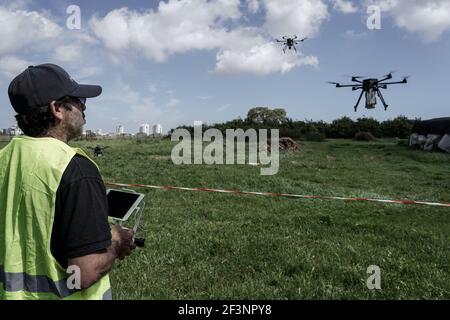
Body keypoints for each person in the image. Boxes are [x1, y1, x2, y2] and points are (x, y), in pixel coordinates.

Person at [0, 64, 136, 300]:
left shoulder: (4, 159)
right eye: (79, 99)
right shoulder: (75, 169)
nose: (84, 107)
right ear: (57, 109)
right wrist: (117, 241)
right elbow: (84, 272)